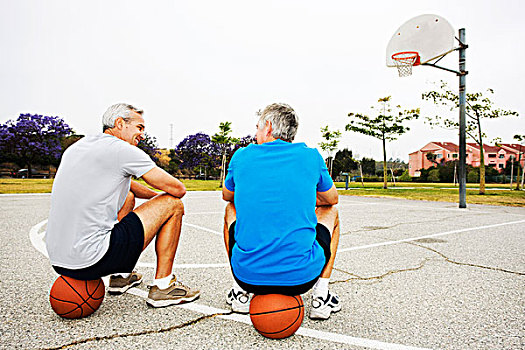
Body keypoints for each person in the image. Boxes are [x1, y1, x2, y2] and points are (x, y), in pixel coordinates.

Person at [46, 103, 200, 308]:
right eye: (139, 127)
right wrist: (163, 205)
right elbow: (177, 189)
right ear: (119, 123)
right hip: (93, 259)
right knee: (173, 204)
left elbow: (129, 185)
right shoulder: (122, 150)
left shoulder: (78, 147)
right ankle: (164, 286)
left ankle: (121, 276)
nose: (142, 134)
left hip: (60, 260)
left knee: (127, 196)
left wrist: (155, 202)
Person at [222, 103, 341, 320]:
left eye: (257, 127)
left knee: (231, 209)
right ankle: (321, 296)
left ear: (267, 127)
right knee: (331, 212)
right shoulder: (311, 156)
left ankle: (238, 293)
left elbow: (228, 195)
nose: (255, 133)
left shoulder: (241, 156)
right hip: (302, 277)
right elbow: (331, 199)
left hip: (246, 276)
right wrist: (301, 195)